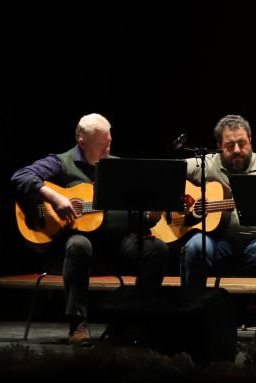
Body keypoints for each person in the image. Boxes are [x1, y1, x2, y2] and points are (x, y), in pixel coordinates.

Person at [10, 113, 168, 346]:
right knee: (79, 244)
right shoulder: (61, 162)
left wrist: (149, 217)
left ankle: (135, 321)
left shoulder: (117, 167)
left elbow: (131, 214)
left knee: (157, 249)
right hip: (71, 249)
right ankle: (78, 323)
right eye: (102, 145)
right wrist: (55, 198)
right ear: (82, 142)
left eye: (109, 143)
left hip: (114, 244)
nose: (108, 149)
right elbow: (20, 176)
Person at [178, 114, 256, 344]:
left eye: (242, 143)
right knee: (193, 248)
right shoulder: (205, 165)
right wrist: (182, 201)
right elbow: (170, 174)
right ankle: (191, 319)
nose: (237, 149)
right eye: (229, 145)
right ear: (219, 147)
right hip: (216, 239)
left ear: (250, 140)